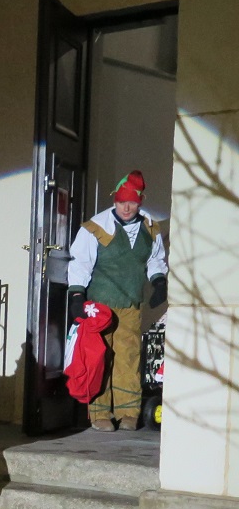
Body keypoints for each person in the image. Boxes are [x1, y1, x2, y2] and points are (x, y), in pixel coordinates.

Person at [67, 170, 169, 431]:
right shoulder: (96, 228)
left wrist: (159, 281)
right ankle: (99, 414)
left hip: (131, 304)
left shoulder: (149, 228)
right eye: (122, 201)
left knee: (129, 357)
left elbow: (155, 259)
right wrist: (77, 294)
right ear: (115, 200)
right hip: (100, 306)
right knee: (99, 358)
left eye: (132, 202)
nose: (126, 207)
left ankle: (128, 412)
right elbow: (81, 263)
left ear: (140, 202)